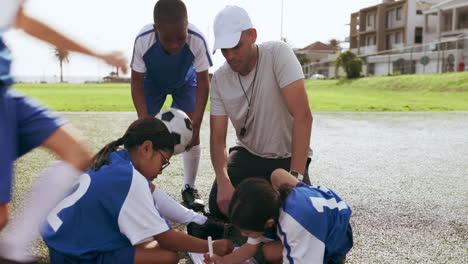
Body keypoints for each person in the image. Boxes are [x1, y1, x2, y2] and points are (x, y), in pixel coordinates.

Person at [0, 0, 128, 262]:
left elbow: (29, 23)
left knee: (77, 153)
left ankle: (14, 246)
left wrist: (99, 55)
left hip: (7, 94)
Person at [40, 117, 233, 264]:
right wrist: (212, 245)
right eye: (164, 161)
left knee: (153, 240)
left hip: (60, 241)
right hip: (74, 255)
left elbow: (154, 210)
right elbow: (167, 238)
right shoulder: (130, 179)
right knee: (168, 255)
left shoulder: (115, 159)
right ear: (147, 148)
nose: (161, 170)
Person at [209, 5, 313, 219]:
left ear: (252, 35)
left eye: (235, 46)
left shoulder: (277, 53)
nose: (230, 55)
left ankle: (276, 193)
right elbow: (217, 138)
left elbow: (303, 116)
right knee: (219, 204)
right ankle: (265, 194)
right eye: (224, 50)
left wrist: (295, 178)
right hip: (249, 154)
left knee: (298, 214)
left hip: (288, 156)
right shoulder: (220, 78)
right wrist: (223, 180)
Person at [130, 0, 211, 211]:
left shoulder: (197, 39)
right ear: (156, 29)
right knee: (142, 134)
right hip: (152, 82)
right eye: (168, 39)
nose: (176, 44)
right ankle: (138, 186)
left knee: (192, 133)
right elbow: (136, 81)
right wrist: (143, 119)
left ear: (187, 25)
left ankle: (189, 187)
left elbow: (204, 81)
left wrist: (198, 122)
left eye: (180, 38)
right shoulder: (143, 39)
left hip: (185, 82)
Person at [205, 169, 353, 264]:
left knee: (271, 253)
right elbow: (250, 247)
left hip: (335, 239)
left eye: (248, 232)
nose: (243, 235)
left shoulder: (294, 224)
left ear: (269, 222)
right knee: (270, 252)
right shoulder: (265, 204)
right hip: (322, 212)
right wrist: (222, 262)